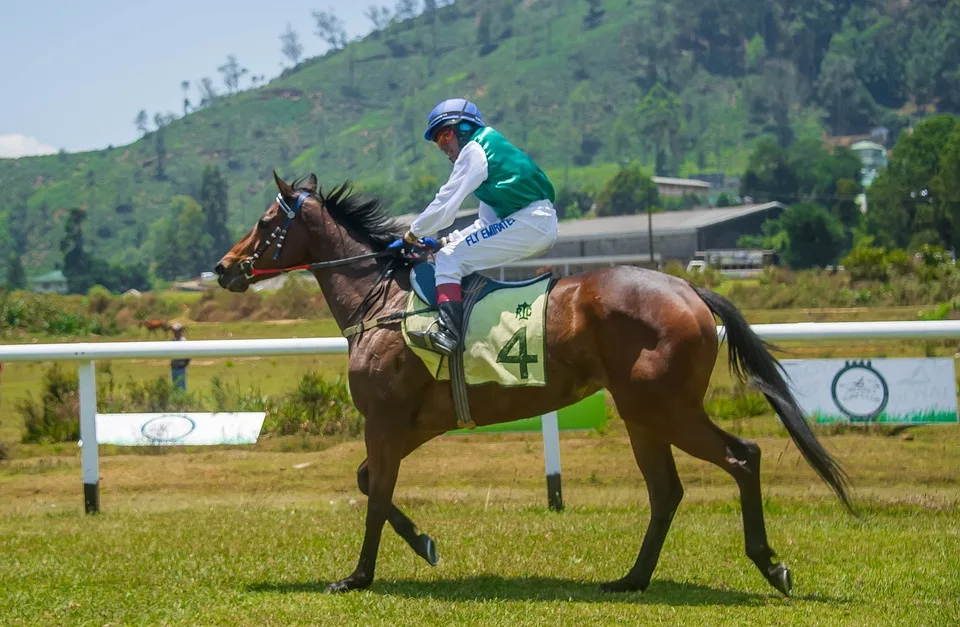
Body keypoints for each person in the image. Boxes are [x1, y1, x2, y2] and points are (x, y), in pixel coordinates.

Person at [391, 98, 558, 356]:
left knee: (449, 260)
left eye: (445, 134)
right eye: (437, 140)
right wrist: (445, 241)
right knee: (450, 252)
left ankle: (449, 334)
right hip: (533, 222)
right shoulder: (492, 160)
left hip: (531, 223)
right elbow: (487, 224)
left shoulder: (475, 149)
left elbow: (446, 203)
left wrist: (412, 235)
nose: (443, 145)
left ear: (464, 128)